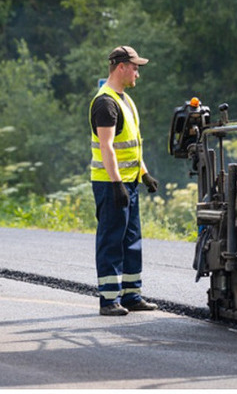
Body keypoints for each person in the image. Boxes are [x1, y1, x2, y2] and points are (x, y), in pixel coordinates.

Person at [89, 45, 159, 316]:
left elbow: (131, 145)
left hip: (129, 182)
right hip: (110, 184)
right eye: (135, 67)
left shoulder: (125, 101)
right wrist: (117, 183)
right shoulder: (105, 102)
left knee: (131, 238)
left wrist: (144, 174)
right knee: (112, 239)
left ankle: (131, 295)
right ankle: (108, 300)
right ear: (121, 67)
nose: (137, 73)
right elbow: (107, 147)